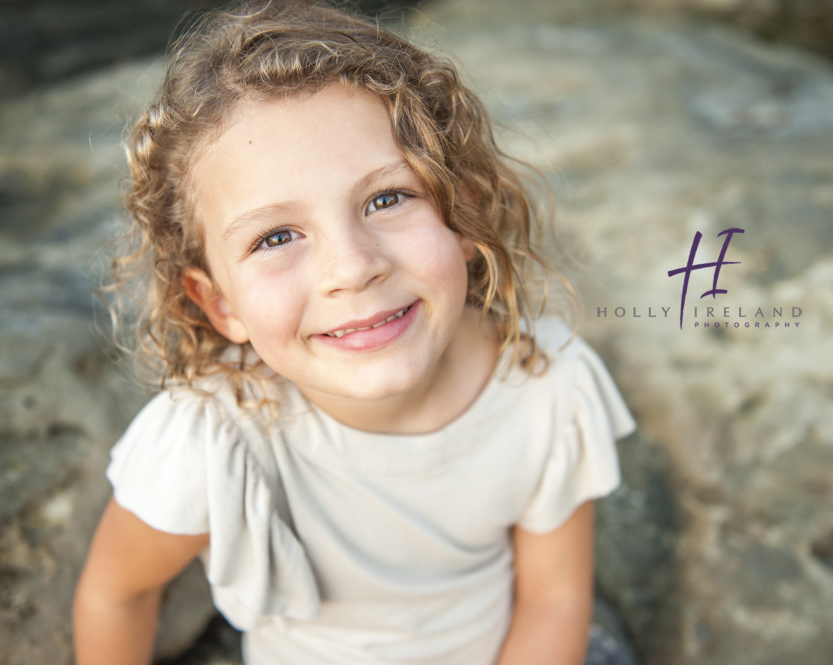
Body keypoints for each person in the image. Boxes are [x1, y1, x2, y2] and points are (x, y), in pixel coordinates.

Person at [73, 1, 635, 664]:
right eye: (276, 236)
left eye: (386, 198)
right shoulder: (214, 438)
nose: (353, 267)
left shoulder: (546, 386)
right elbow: (117, 594)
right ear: (219, 303)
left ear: (465, 212)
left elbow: (554, 600)